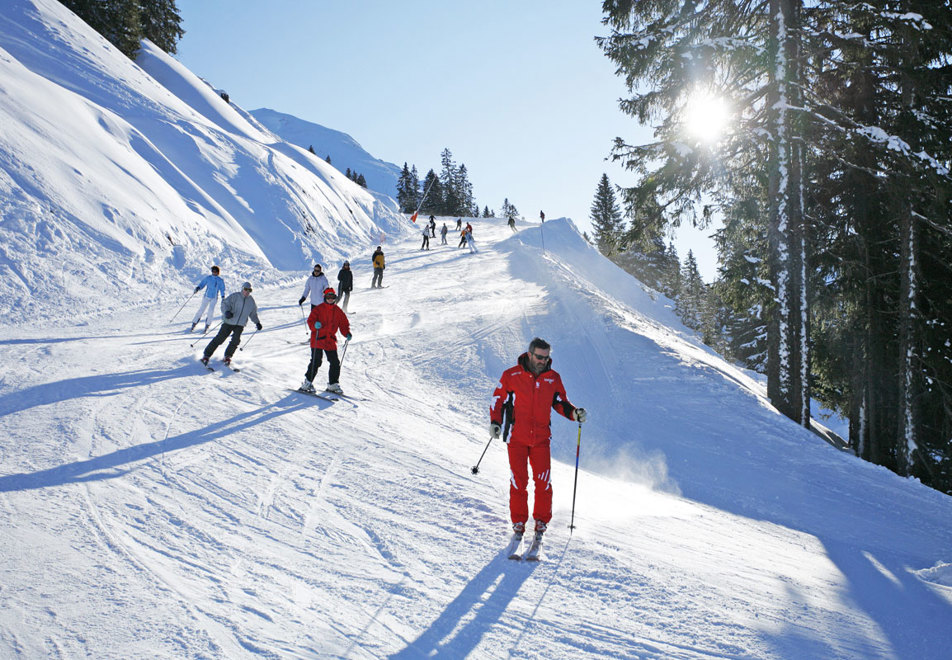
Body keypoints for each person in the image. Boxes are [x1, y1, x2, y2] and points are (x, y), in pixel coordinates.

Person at [489, 338, 587, 542]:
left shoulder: (553, 378)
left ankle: (541, 521)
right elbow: (497, 400)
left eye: (547, 357)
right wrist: (495, 422)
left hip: (541, 439)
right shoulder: (512, 375)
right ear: (530, 354)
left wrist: (574, 414)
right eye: (540, 357)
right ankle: (518, 522)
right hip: (516, 438)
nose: (543, 361)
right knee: (519, 481)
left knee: (543, 482)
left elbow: (560, 403)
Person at [300, 288, 352, 395]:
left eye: (332, 297)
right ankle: (307, 383)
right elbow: (311, 320)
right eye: (328, 297)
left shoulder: (338, 311)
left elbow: (343, 324)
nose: (330, 299)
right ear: (325, 297)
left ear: (335, 298)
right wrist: (315, 325)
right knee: (316, 361)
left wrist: (346, 332)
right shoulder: (318, 309)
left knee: (335, 362)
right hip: (318, 338)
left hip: (330, 340)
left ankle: (333, 384)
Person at [201, 282, 262, 367]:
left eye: (249, 290)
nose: (247, 291)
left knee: (236, 340)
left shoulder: (251, 301)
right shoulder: (235, 296)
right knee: (220, 338)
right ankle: (206, 355)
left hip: (240, 324)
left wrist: (257, 322)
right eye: (245, 289)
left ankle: (227, 356)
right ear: (242, 288)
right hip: (229, 321)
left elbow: (253, 313)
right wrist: (226, 312)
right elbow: (224, 304)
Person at [190, 265, 225, 333]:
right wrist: (198, 288)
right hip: (206, 296)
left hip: (214, 298)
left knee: (210, 311)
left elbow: (222, 289)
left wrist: (223, 296)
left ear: (218, 272)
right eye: (213, 271)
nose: (214, 273)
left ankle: (207, 324)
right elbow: (202, 284)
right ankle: (194, 323)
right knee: (201, 309)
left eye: (215, 271)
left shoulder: (220, 280)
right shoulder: (208, 278)